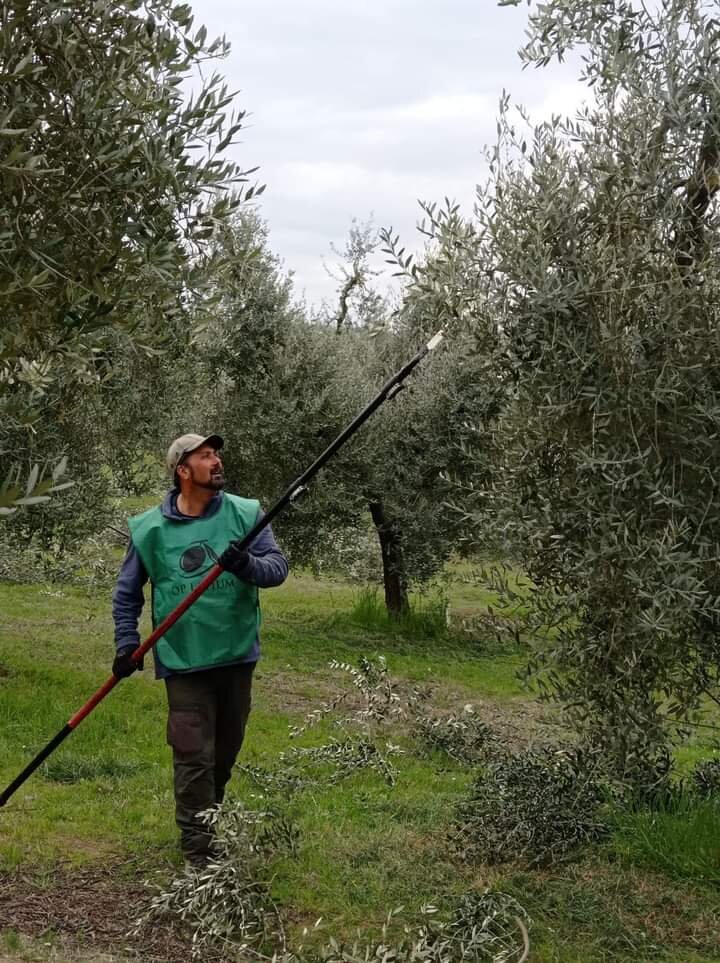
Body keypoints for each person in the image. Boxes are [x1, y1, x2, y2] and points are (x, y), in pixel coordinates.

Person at [111, 433, 288, 866]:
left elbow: (277, 569)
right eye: (205, 456)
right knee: (193, 757)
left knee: (223, 756)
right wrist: (127, 642)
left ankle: (207, 821)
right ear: (182, 470)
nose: (217, 460)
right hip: (183, 658)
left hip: (235, 653)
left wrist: (246, 565)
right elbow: (126, 593)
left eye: (216, 453)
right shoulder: (150, 528)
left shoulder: (246, 513)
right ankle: (199, 856)